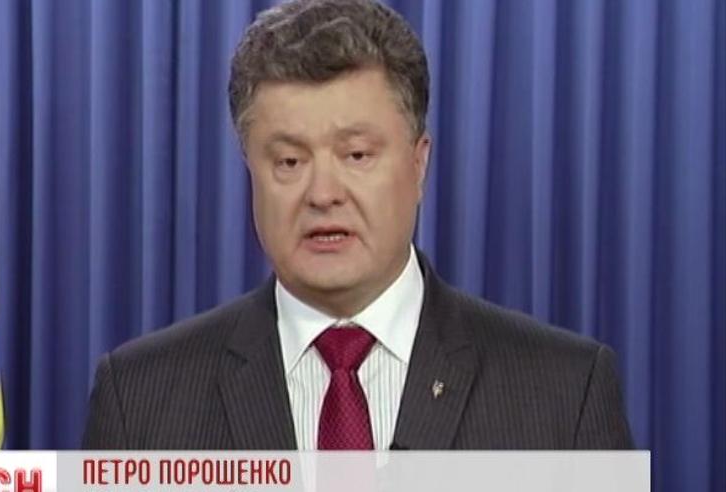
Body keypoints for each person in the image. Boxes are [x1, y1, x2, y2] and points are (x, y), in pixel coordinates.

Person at [82, 0, 633, 450]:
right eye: (289, 162)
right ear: (250, 169)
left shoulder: (567, 391)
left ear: (418, 163)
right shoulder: (139, 399)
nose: (323, 194)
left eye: (357, 155)